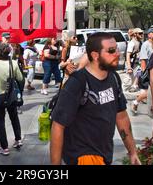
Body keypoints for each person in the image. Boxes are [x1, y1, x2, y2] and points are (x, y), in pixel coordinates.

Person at [50, 32, 140, 165]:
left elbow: (121, 117)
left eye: (116, 49)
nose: (117, 53)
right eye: (111, 50)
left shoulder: (114, 78)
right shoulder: (77, 82)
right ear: (95, 55)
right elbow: (58, 126)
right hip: (83, 157)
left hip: (104, 155)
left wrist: (132, 152)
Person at [0, 43, 24, 156]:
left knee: (0, 122)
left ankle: (4, 147)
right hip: (12, 96)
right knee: (14, 118)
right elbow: (20, 78)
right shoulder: (13, 63)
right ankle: (18, 140)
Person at [131, 28, 153, 115]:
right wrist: (143, 73)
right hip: (148, 71)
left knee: (152, 91)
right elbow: (143, 60)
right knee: (150, 91)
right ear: (149, 34)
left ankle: (137, 102)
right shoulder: (145, 44)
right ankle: (136, 102)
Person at [124, 28, 143, 92]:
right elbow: (128, 55)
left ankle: (133, 88)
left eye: (142, 33)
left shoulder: (140, 42)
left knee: (137, 75)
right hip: (132, 63)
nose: (142, 35)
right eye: (140, 33)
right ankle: (122, 92)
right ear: (135, 34)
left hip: (138, 63)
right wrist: (129, 67)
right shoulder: (132, 43)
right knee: (128, 80)